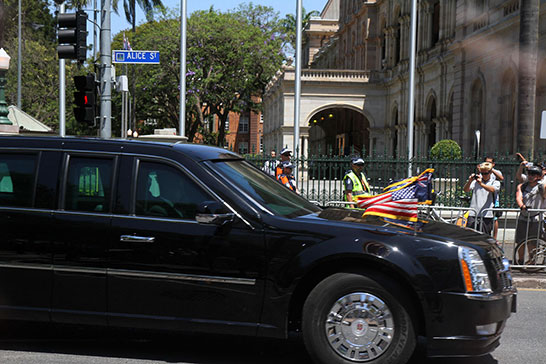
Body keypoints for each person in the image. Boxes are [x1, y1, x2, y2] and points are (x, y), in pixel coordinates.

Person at [463, 162, 500, 235]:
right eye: (482, 173)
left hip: (486, 214)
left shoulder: (495, 182)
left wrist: (481, 184)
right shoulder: (475, 182)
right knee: (470, 236)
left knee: (484, 237)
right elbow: (466, 190)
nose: (483, 175)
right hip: (473, 213)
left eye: (485, 173)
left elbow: (492, 189)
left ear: (490, 173)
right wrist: (470, 181)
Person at [515, 164, 546, 246]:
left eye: (533, 174)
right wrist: (522, 206)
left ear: (538, 176)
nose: (530, 176)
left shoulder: (542, 187)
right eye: (529, 174)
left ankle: (531, 259)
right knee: (520, 242)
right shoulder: (522, 186)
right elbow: (518, 197)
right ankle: (520, 259)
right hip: (523, 217)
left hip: (536, 219)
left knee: (533, 243)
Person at [483, 156, 504, 239]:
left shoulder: (496, 171)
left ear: (493, 164)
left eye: (490, 162)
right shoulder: (483, 170)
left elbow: (501, 178)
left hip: (494, 197)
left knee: (495, 218)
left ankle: (494, 237)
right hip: (484, 196)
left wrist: (491, 170)